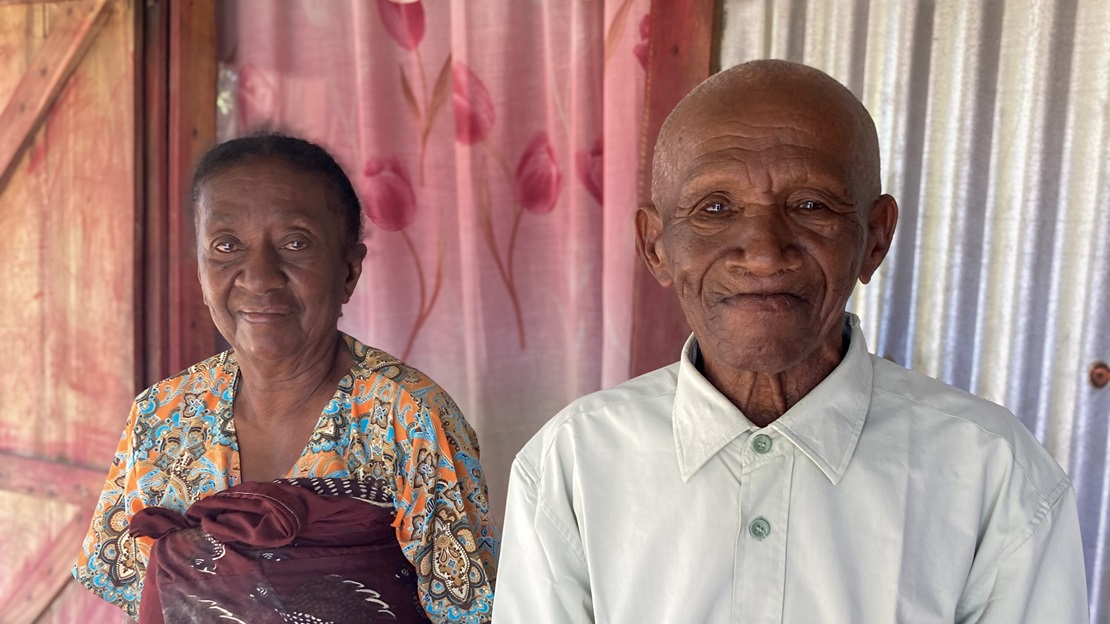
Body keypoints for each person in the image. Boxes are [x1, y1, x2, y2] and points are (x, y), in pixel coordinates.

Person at [492, 60, 1088, 623]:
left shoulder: (993, 474)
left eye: (810, 205)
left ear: (874, 240)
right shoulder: (569, 469)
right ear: (656, 247)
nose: (762, 251)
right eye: (715, 207)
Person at [74, 134, 498, 623]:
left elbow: (471, 612)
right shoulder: (160, 417)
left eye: (295, 243)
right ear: (201, 268)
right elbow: (144, 599)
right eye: (226, 245)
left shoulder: (411, 418)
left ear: (348, 271)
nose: (258, 276)